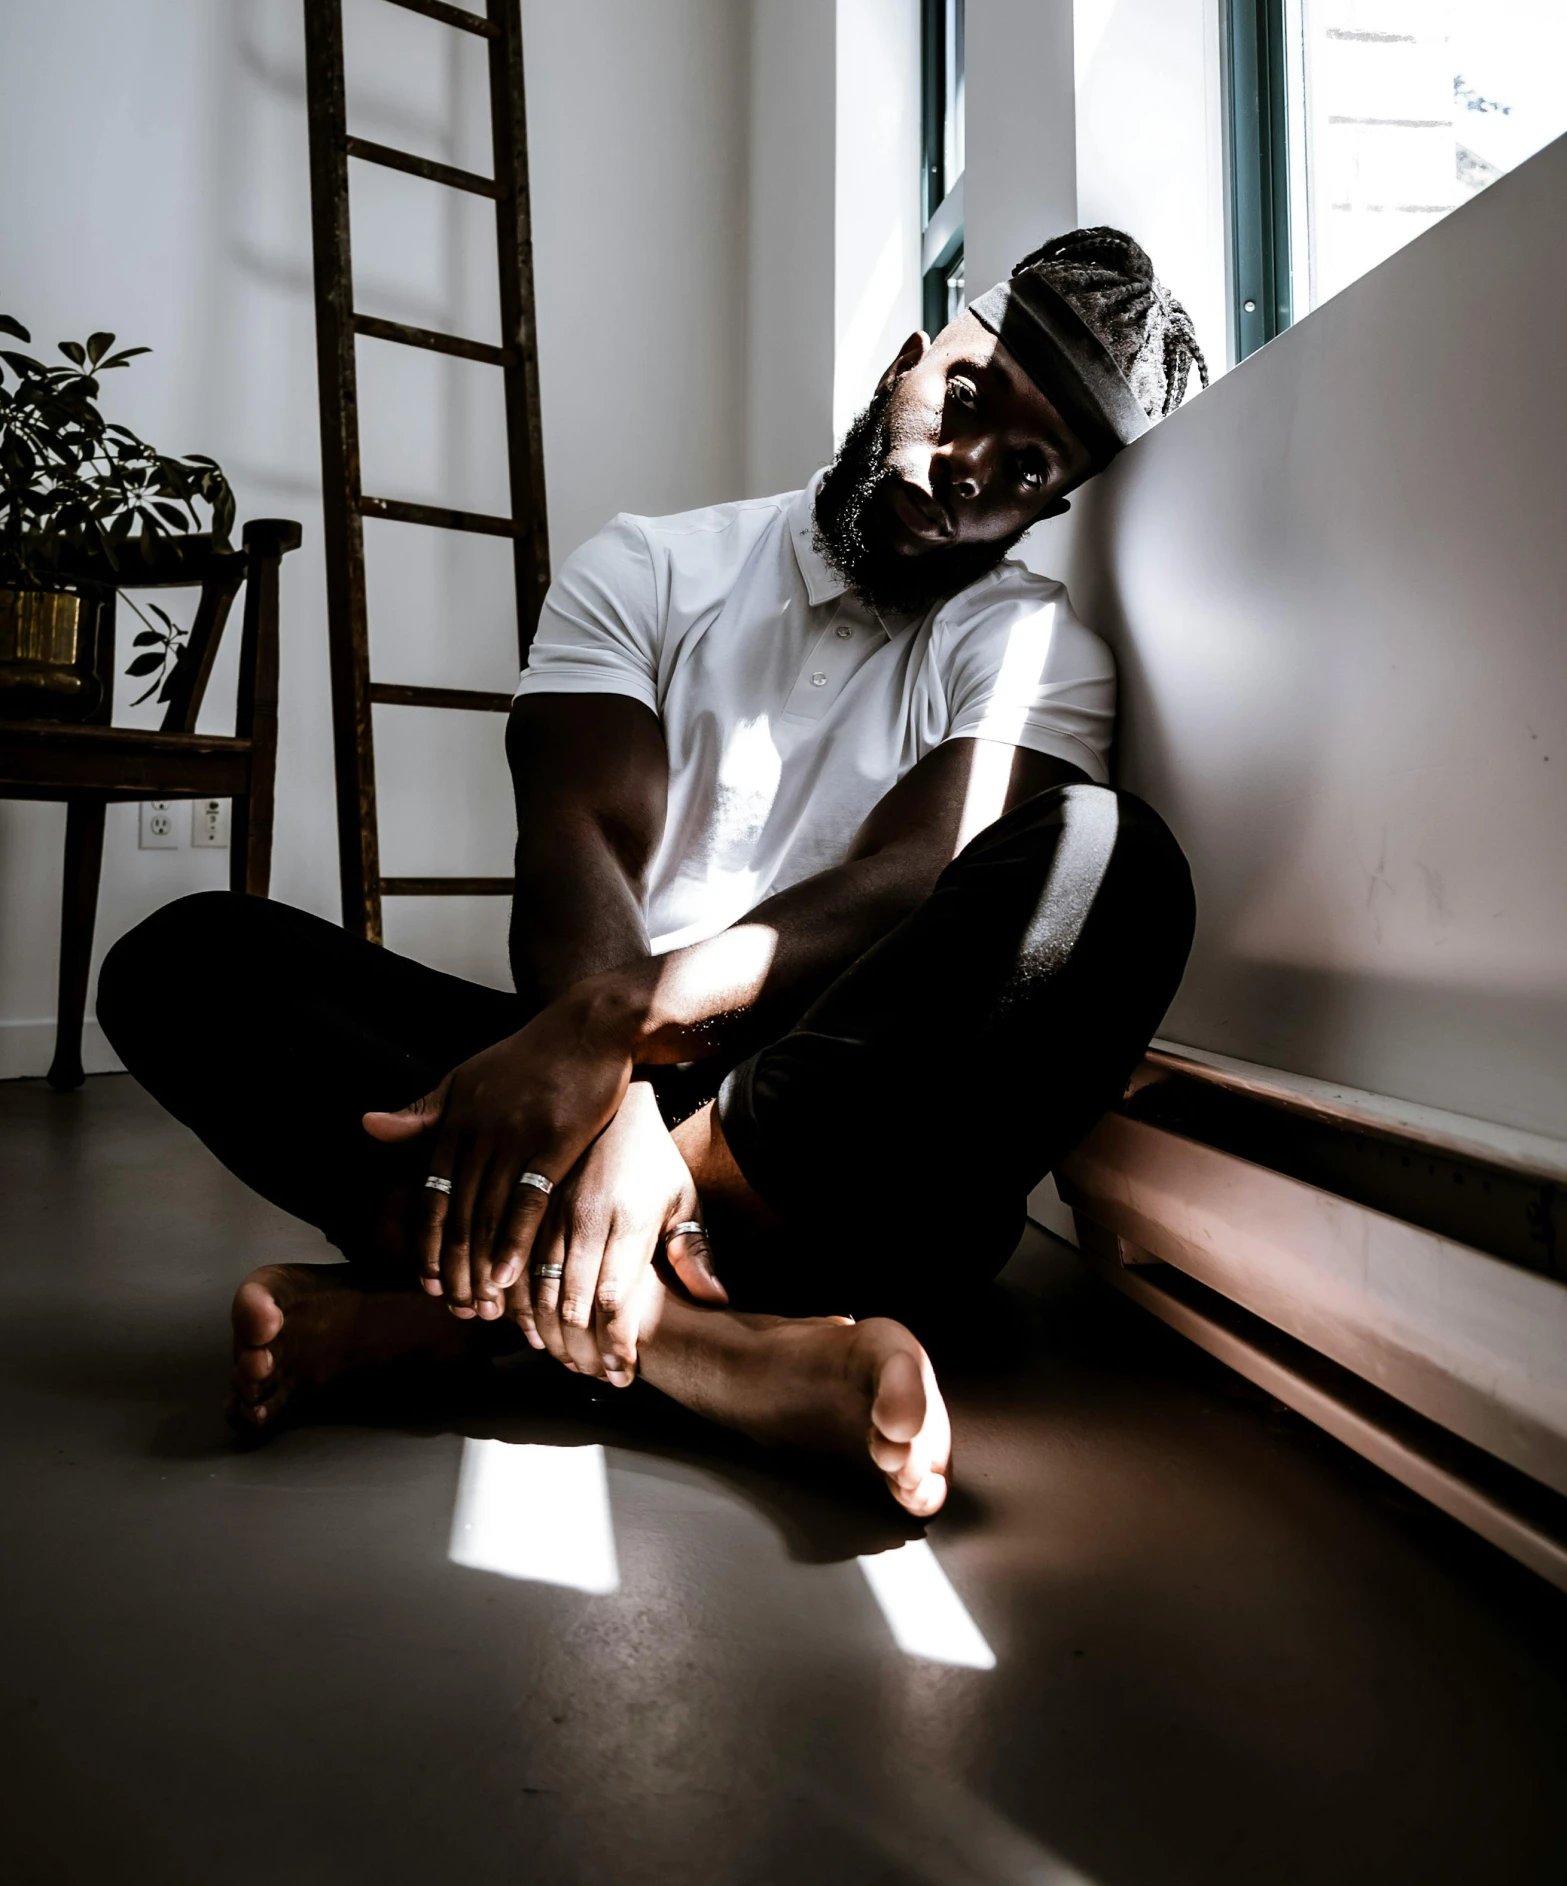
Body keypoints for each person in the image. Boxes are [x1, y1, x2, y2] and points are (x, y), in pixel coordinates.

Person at [98, 226, 1204, 1519]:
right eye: (964, 401)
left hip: (813, 1121)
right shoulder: (651, 565)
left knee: (1111, 859)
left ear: (1048, 508)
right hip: (586, 1062)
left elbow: (911, 879)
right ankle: (699, 1348)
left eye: (1022, 469)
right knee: (190, 959)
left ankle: (473, 1314)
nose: (962, 469)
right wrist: (608, 1079)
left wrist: (639, 1074)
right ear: (913, 354)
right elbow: (576, 841)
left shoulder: (1033, 650)